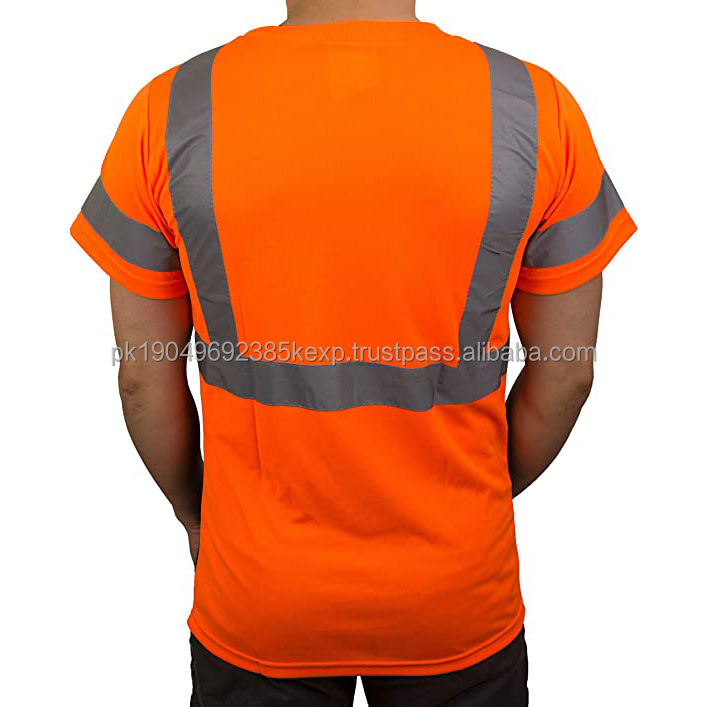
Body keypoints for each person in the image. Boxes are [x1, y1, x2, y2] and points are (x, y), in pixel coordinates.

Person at [71, 0, 636, 704]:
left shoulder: (170, 110)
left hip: (256, 592)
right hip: (457, 592)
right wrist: (480, 499)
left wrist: (196, 516)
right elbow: (567, 374)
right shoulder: (535, 108)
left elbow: (141, 380)